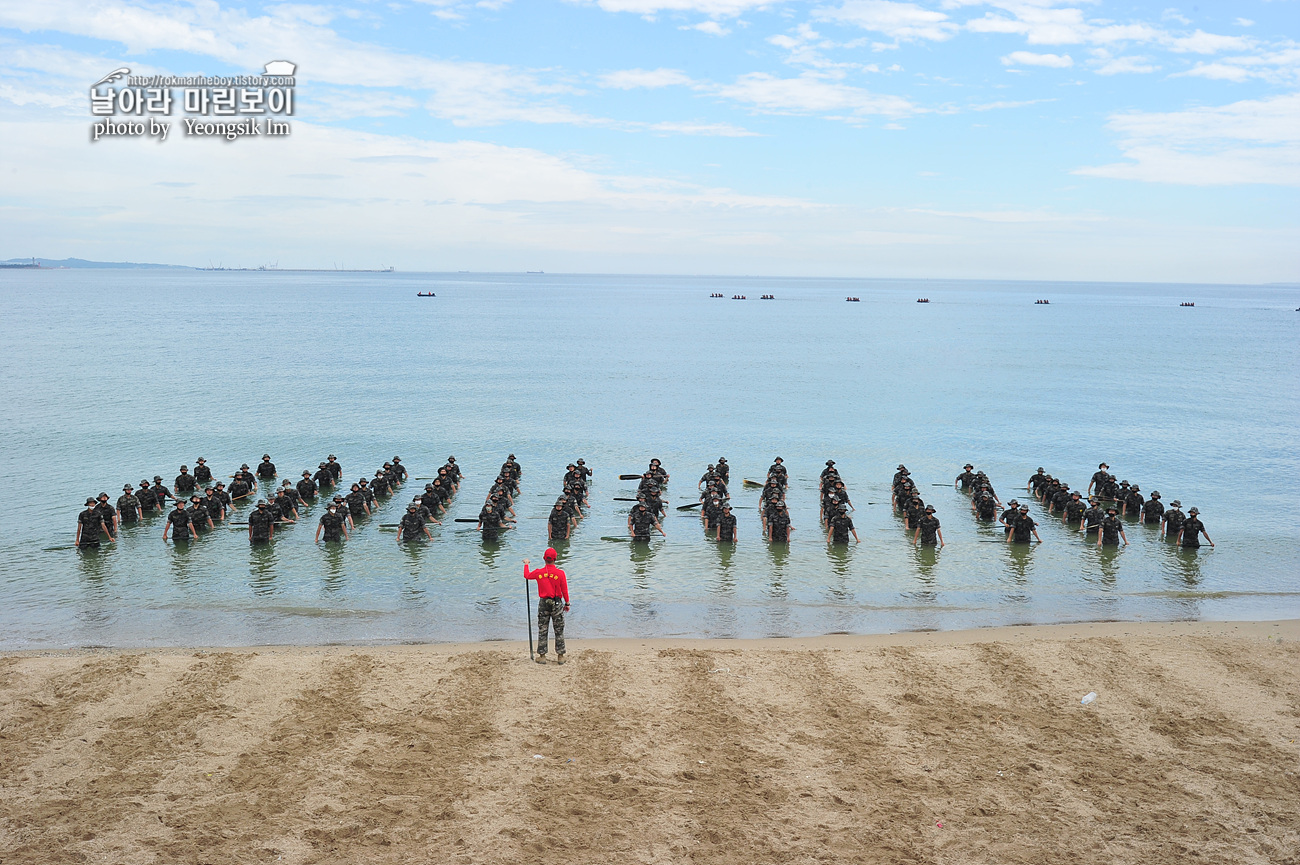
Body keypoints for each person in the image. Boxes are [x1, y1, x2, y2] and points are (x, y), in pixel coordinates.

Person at [524, 548, 570, 664]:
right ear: (555, 559)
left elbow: (527, 576)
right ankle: (560, 656)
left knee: (543, 629)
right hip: (557, 603)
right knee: (559, 629)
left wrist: (526, 564)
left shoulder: (539, 572)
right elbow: (564, 590)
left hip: (544, 603)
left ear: (544, 558)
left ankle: (542, 656)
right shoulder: (560, 573)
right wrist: (567, 603)